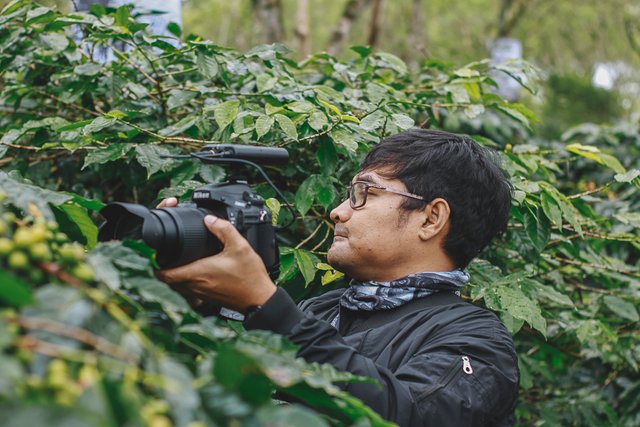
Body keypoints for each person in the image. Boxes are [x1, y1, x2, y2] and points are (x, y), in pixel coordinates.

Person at [157, 128, 519, 426]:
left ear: (431, 218)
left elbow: (410, 415)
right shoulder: (320, 309)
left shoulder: (476, 340)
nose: (337, 212)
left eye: (364, 193)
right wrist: (185, 304)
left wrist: (268, 307)